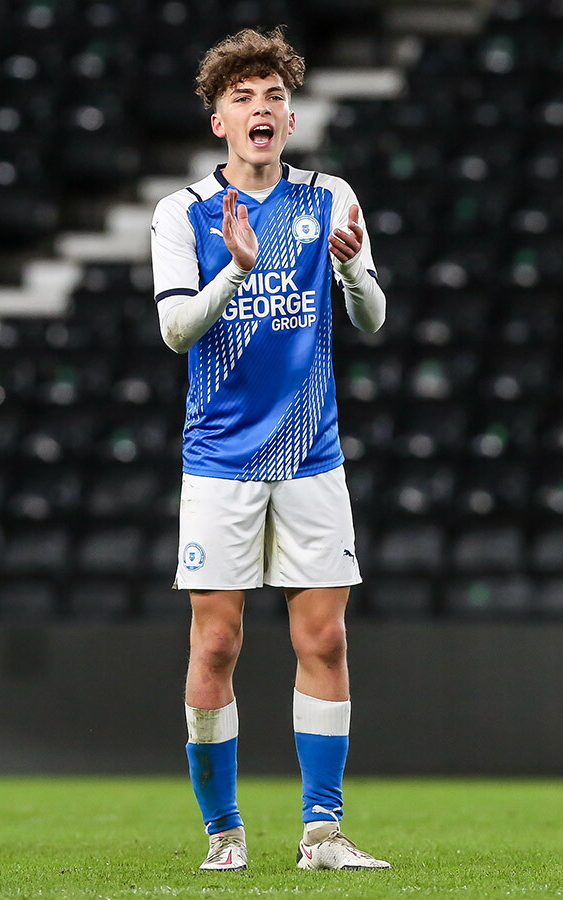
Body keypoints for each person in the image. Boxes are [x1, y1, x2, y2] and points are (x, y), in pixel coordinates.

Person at [150, 26, 390, 872]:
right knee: (216, 644)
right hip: (220, 460)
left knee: (324, 640)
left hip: (312, 455)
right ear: (218, 120)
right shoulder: (182, 212)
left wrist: (352, 272)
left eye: (275, 96)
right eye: (243, 96)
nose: (262, 108)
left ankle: (322, 833)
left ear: (291, 119)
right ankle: (225, 834)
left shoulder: (329, 197)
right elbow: (176, 330)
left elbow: (371, 318)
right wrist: (237, 271)